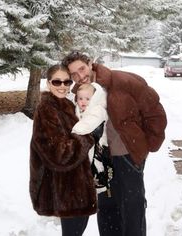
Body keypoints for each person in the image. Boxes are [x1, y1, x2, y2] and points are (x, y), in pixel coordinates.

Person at [62, 51, 167, 236]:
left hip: (127, 155)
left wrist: (148, 145)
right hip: (101, 158)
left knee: (132, 206)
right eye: (74, 74)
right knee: (107, 208)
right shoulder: (79, 94)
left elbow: (154, 111)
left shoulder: (123, 81)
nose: (80, 76)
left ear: (90, 63)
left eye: (82, 69)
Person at [29, 64, 97, 236]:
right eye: (57, 82)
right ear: (48, 83)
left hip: (75, 186)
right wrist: (89, 138)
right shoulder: (46, 110)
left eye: (66, 82)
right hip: (65, 190)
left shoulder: (67, 105)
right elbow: (59, 154)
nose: (62, 86)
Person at [71, 82, 112, 195]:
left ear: (95, 98)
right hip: (89, 142)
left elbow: (88, 124)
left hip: (100, 145)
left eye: (87, 98)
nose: (83, 101)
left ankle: (98, 182)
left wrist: (74, 131)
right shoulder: (80, 110)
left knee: (96, 165)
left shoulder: (98, 110)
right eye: (80, 98)